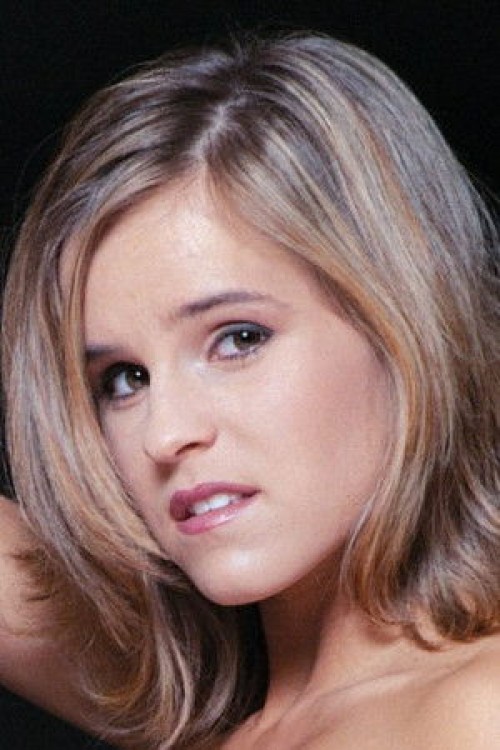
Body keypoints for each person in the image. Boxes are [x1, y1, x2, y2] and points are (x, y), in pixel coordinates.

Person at [1, 31, 499, 750]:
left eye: (238, 339)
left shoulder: (474, 710)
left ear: (401, 320)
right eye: (124, 380)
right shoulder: (215, 722)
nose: (165, 434)